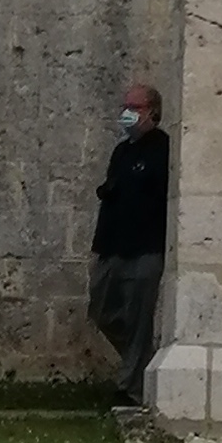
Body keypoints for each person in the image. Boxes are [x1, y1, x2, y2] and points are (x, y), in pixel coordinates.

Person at [88, 78, 171, 411]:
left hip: (145, 247)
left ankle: (131, 388)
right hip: (111, 245)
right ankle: (145, 363)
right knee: (102, 311)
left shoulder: (163, 149)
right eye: (125, 107)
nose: (127, 113)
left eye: (134, 107)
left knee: (138, 319)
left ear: (151, 112)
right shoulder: (122, 151)